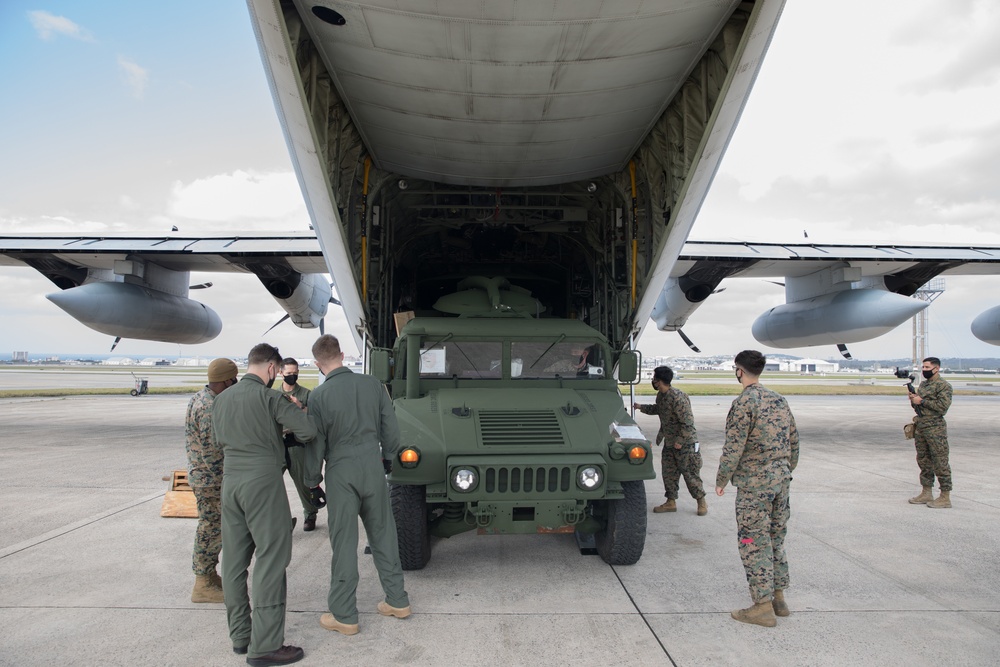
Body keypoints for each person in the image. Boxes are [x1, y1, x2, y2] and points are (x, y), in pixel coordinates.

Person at [213, 343, 318, 667]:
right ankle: (266, 645)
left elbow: (220, 440)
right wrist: (296, 413)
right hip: (262, 481)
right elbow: (308, 431)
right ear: (272, 369)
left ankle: (241, 637)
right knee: (272, 558)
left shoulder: (221, 399)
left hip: (231, 484)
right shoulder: (272, 398)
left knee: (233, 564)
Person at [305, 334, 411, 636]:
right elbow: (390, 425)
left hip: (341, 471)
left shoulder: (319, 396)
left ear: (318, 363)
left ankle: (345, 615)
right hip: (372, 466)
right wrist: (389, 456)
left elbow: (317, 443)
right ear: (341, 354)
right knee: (384, 535)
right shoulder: (372, 385)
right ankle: (398, 600)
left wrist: (313, 480)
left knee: (344, 542)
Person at [715, 350, 799, 628]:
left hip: (754, 486)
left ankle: (761, 607)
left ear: (739, 370)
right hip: (781, 481)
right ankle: (779, 599)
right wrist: (785, 470)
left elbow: (734, 447)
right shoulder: (779, 399)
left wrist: (721, 479)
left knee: (753, 542)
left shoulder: (744, 403)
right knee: (776, 538)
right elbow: (794, 441)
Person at [185, 357, 238, 604]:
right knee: (211, 529)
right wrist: (226, 480)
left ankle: (208, 576)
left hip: (205, 478)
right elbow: (212, 452)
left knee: (212, 527)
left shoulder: (201, 397)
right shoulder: (209, 407)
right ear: (227, 380)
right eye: (233, 379)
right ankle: (203, 583)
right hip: (211, 481)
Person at [633, 366, 707, 515]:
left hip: (685, 444)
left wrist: (680, 440)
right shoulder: (662, 396)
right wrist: (640, 407)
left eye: (654, 379)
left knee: (690, 474)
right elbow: (659, 409)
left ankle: (701, 501)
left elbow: (687, 423)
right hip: (670, 442)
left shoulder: (678, 397)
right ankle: (670, 502)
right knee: (668, 473)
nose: (653, 381)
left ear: (659, 381)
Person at [279, 357, 323, 531]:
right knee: (272, 484)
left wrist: (300, 407)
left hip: (297, 444)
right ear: (280, 373)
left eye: (295, 373)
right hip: (278, 444)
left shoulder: (305, 394)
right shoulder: (275, 395)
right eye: (289, 373)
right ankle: (281, 520)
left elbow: (314, 419)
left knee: (303, 483)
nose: (293, 376)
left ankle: (310, 514)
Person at [907, 356, 954, 509]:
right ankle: (926, 492)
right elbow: (919, 408)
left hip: (935, 428)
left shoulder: (943, 386)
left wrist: (923, 401)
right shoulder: (924, 385)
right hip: (921, 426)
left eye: (927, 368)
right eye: (923, 367)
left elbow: (942, 407)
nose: (924, 370)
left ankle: (945, 496)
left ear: (936, 368)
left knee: (940, 461)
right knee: (923, 460)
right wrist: (914, 400)